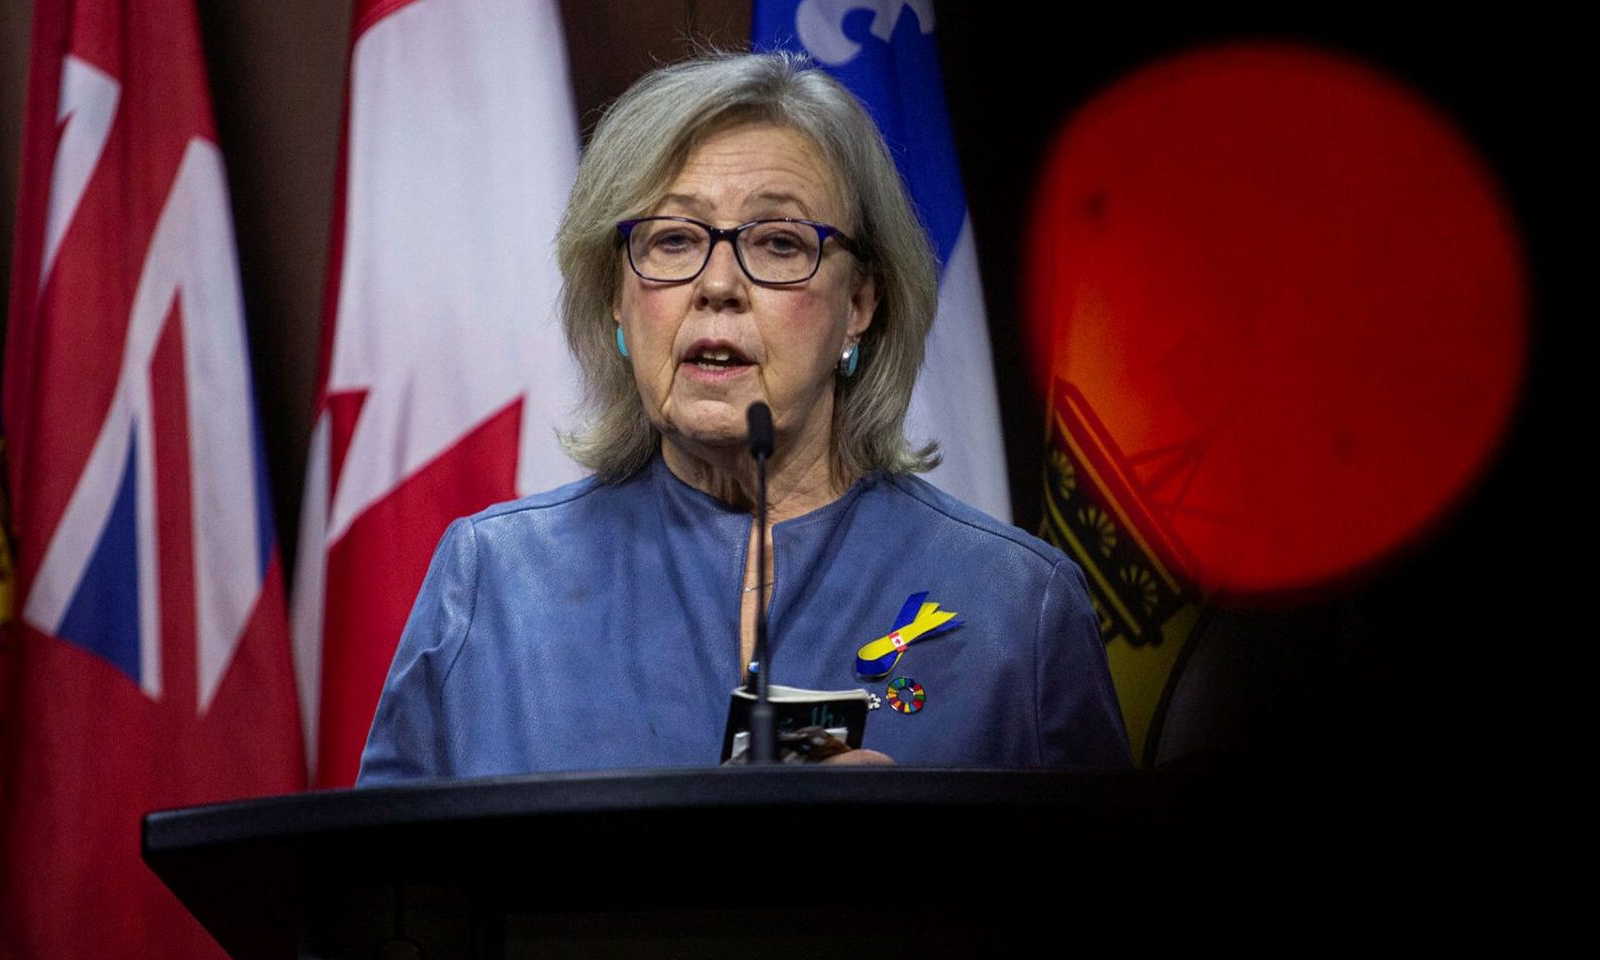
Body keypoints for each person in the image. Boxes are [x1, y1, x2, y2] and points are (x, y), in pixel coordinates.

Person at [356, 52, 1130, 782]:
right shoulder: (493, 584)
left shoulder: (1016, 606)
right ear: (619, 304)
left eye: (779, 242)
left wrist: (917, 866)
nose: (718, 284)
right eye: (673, 239)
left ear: (860, 305)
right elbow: (383, 909)